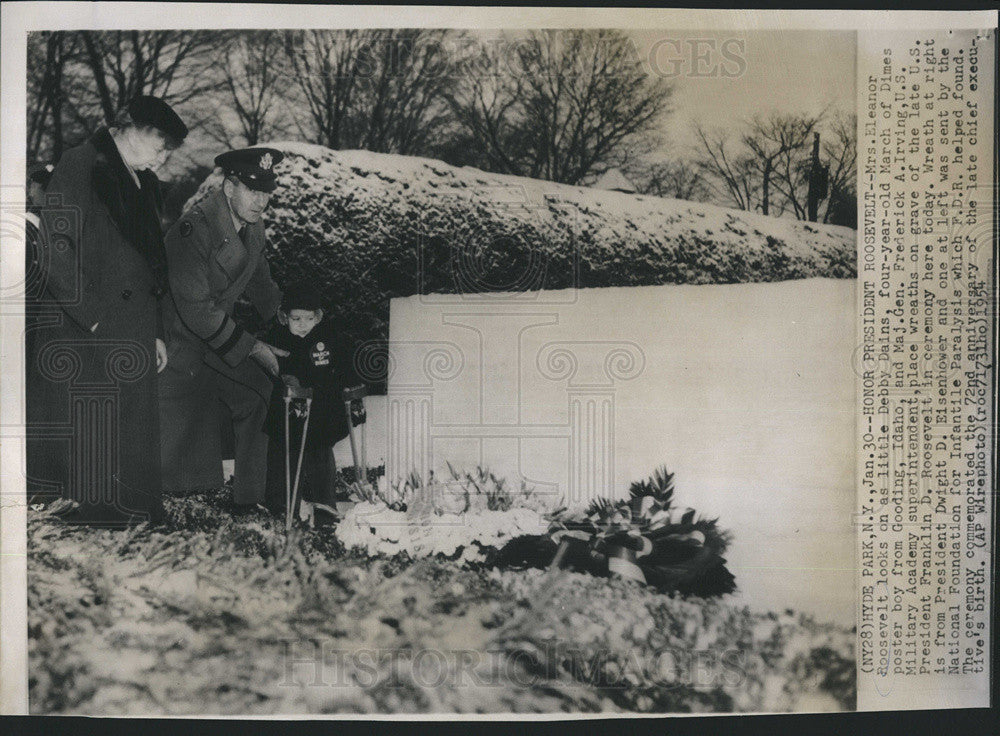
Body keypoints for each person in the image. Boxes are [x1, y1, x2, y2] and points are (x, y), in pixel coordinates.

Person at [25, 96, 188, 526]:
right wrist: (93, 316)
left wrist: (155, 331)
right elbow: (54, 249)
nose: (164, 154)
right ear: (127, 126)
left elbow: (151, 263)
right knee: (89, 435)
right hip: (81, 328)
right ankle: (96, 523)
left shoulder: (144, 182)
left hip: (130, 325)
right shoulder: (81, 163)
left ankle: (132, 519)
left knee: (129, 432)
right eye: (160, 142)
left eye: (170, 148)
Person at [159, 147, 288, 513]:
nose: (261, 202)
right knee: (172, 446)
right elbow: (196, 310)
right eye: (253, 191)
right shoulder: (193, 229)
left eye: (266, 193)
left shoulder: (252, 223)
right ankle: (168, 505)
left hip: (214, 337)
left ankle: (250, 500)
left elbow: (259, 280)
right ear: (230, 187)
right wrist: (256, 348)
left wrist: (285, 322)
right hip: (177, 341)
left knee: (259, 393)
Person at [262, 282, 364, 521]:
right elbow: (272, 369)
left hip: (321, 414)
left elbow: (345, 365)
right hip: (289, 413)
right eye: (296, 319)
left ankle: (325, 510)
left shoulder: (328, 338)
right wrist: (285, 381)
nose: (302, 325)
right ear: (284, 317)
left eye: (308, 319)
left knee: (320, 459)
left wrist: (354, 390)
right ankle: (282, 509)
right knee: (285, 459)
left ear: (317, 318)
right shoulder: (278, 339)